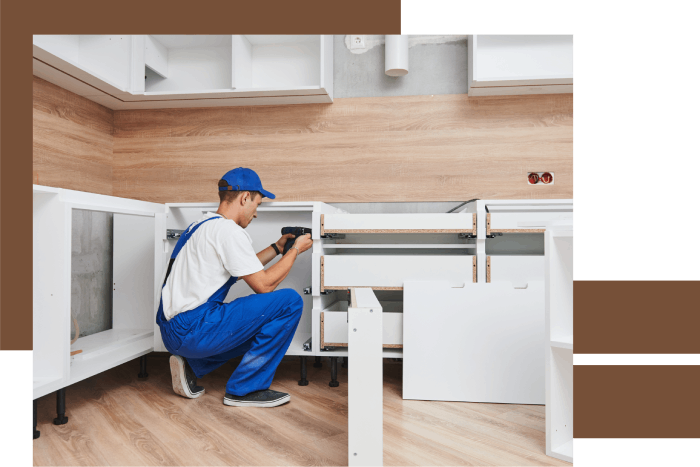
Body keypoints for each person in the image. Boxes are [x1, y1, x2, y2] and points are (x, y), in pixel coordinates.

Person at [155, 167, 313, 407]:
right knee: (289, 302)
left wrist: (277, 248)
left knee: (262, 322)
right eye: (257, 205)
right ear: (245, 197)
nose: (256, 214)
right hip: (192, 328)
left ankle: (192, 365)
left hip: (172, 331)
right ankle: (244, 390)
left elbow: (242, 269)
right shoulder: (228, 231)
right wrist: (295, 250)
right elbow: (264, 285)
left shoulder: (202, 225)